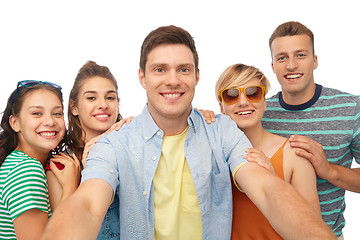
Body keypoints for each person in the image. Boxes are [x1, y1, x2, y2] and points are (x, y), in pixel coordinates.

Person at [41, 25, 335, 240]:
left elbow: (268, 191)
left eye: (183, 69)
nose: (172, 80)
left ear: (196, 76)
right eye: (160, 70)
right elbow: (89, 205)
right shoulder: (114, 144)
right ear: (142, 77)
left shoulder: (222, 131)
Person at [262, 21, 360, 239]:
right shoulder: (259, 113)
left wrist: (329, 171)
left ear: (315, 61)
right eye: (282, 58)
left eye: (300, 55)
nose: (291, 65)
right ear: (273, 67)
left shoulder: (350, 108)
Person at [215, 63, 321, 239]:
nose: (243, 102)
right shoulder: (211, 152)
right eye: (231, 95)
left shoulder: (294, 156)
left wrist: (274, 181)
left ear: (264, 102)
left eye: (253, 93)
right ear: (221, 106)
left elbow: (311, 231)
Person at [46, 61, 132, 240]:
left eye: (110, 97)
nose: (103, 105)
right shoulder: (62, 165)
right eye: (91, 98)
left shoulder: (131, 145)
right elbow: (63, 231)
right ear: (74, 107)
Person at [0, 80, 79, 240]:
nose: (50, 121)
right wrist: (70, 187)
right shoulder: (26, 170)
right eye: (37, 113)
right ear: (15, 123)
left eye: (57, 113)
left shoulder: (20, 163)